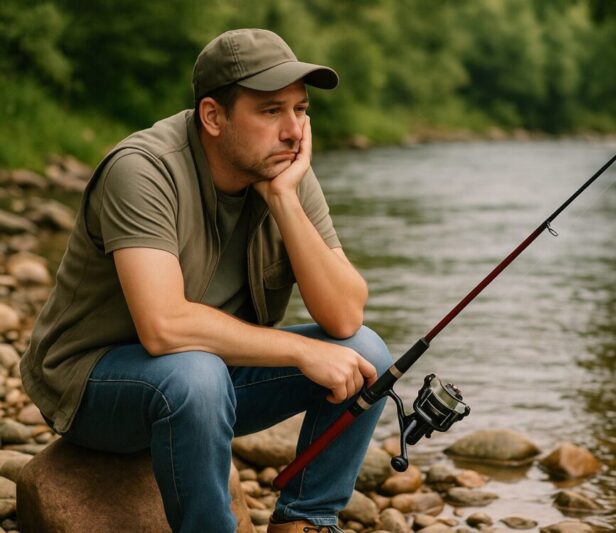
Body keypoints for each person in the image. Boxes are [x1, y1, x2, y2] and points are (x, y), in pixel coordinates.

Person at [20, 28, 392, 533]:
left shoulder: (283, 170)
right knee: (197, 374)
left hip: (212, 379)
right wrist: (301, 351)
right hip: (94, 384)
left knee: (366, 355)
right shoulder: (143, 170)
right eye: (271, 111)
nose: (293, 131)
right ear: (213, 117)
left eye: (301, 110)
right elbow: (163, 326)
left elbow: (345, 315)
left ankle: (305, 520)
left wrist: (284, 200)